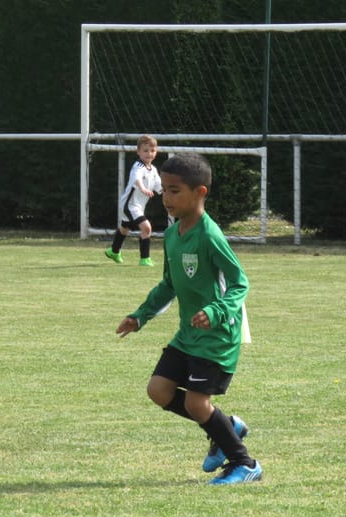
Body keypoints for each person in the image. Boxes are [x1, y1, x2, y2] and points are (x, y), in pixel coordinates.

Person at [115, 152, 261, 485]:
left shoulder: (209, 236)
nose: (166, 197)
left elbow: (240, 282)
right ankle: (224, 425)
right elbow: (169, 284)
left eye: (175, 190)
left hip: (218, 335)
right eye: (164, 189)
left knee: (197, 403)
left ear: (200, 193)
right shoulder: (174, 233)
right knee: (159, 390)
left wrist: (215, 311)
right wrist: (140, 316)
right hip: (188, 334)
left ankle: (245, 463)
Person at [104, 135, 163, 266]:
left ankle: (114, 251)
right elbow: (137, 179)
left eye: (152, 151)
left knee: (125, 228)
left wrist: (169, 192)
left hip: (138, 206)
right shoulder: (138, 166)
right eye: (145, 150)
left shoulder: (153, 170)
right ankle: (145, 259)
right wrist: (142, 188)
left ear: (156, 152)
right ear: (138, 152)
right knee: (147, 228)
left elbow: (159, 187)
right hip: (129, 205)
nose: (149, 154)